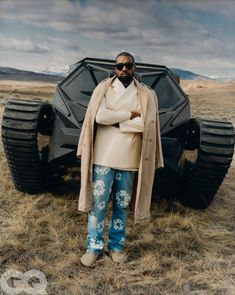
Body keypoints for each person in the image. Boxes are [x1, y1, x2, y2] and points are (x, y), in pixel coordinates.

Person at [76, 52, 163, 267]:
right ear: (115, 68)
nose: (124, 70)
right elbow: (100, 117)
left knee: (122, 207)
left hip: (130, 160)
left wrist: (117, 120)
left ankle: (116, 247)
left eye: (128, 65)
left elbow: (146, 125)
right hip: (103, 158)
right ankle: (93, 247)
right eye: (119, 66)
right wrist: (130, 115)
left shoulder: (146, 94)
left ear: (135, 67)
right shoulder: (103, 89)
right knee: (98, 205)